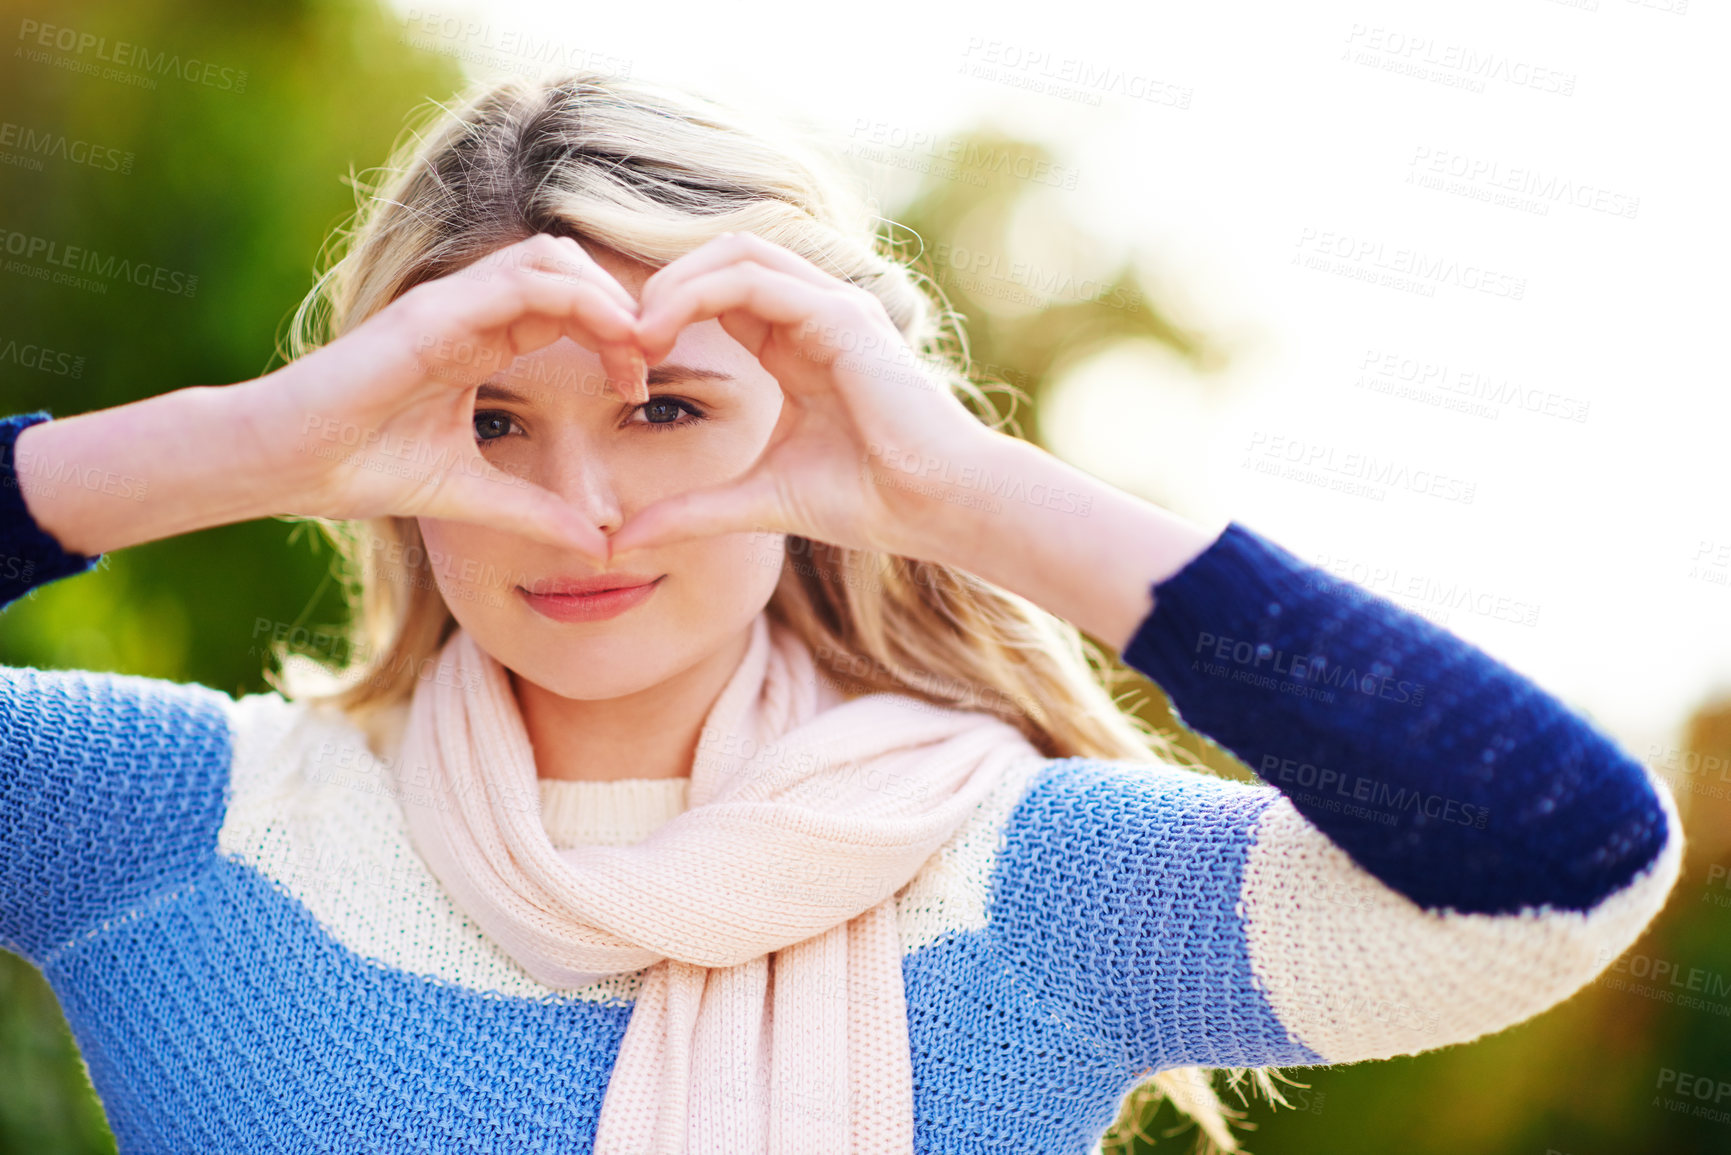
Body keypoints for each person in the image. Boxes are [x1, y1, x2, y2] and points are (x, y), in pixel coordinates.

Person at [0, 71, 1681, 1155]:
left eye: (668, 411)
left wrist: (964, 494)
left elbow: (1561, 865)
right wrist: (229, 443)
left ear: (807, 423)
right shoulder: (173, 820)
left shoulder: (1020, 879)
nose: (582, 508)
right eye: (489, 421)